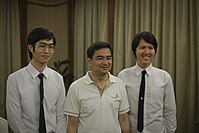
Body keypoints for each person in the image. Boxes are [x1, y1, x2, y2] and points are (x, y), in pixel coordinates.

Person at [6, 27, 67, 133]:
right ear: (31, 48)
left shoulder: (58, 79)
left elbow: (61, 115)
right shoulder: (15, 79)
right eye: (42, 46)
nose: (47, 51)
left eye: (50, 47)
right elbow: (14, 118)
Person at [64, 41, 131, 133]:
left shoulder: (119, 84)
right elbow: (72, 124)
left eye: (108, 58)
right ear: (90, 61)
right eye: (100, 58)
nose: (105, 62)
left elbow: (123, 120)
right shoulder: (76, 87)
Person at [118, 31, 177, 133]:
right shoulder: (123, 76)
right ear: (134, 51)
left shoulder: (164, 77)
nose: (147, 52)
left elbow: (170, 111)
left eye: (150, 48)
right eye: (142, 48)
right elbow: (120, 110)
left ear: (155, 51)